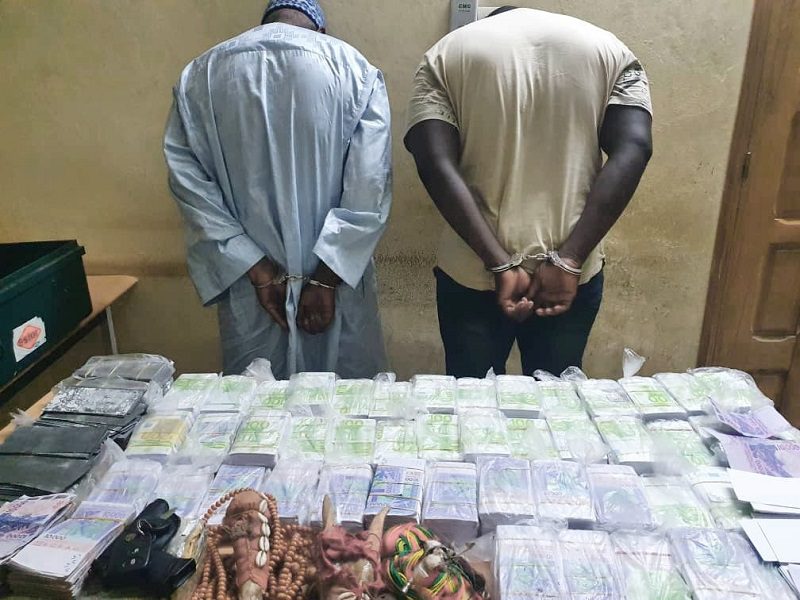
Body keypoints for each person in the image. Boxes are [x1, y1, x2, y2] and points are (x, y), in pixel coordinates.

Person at [405, 6, 653, 377]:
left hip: (474, 272)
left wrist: (500, 264)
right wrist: (570, 259)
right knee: (556, 398)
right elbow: (635, 147)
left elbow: (434, 161)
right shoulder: (611, 51)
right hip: (569, 275)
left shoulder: (446, 54)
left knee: (473, 401)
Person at [164, 0, 392, 378]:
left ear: (266, 22)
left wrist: (255, 267)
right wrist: (325, 278)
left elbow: (189, 185)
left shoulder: (201, 76)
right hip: (337, 286)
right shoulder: (355, 71)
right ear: (321, 31)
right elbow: (369, 182)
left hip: (256, 290)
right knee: (345, 402)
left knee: (256, 400)